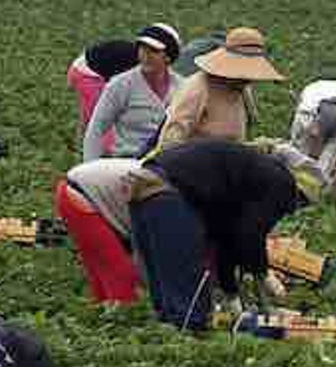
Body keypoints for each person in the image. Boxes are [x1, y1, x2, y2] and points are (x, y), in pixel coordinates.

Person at [128, 139, 319, 330]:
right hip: (171, 190)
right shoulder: (282, 185)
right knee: (186, 280)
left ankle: (168, 330)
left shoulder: (246, 180)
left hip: (143, 180)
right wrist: (262, 273)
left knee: (165, 274)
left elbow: (227, 239)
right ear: (299, 195)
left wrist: (231, 293)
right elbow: (252, 234)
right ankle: (189, 336)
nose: (290, 211)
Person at [158, 27, 283, 148]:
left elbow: (233, 143)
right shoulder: (198, 89)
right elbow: (170, 144)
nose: (247, 80)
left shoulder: (243, 91)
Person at [82, 24, 183, 161]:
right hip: (127, 161)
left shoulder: (183, 86)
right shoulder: (120, 85)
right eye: (142, 49)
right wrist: (90, 169)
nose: (145, 56)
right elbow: (96, 130)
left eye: (153, 51)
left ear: (168, 57)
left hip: (168, 162)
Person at [54, 158, 142, 303]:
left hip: (85, 188)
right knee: (120, 272)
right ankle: (122, 316)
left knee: (102, 268)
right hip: (81, 194)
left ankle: (103, 310)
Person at [67, 37, 140, 155]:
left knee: (89, 116)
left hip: (87, 71)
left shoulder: (134, 53)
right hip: (85, 75)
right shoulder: (134, 59)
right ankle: (110, 153)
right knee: (101, 118)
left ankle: (81, 144)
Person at [289, 79, 336, 200]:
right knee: (300, 154)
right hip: (313, 104)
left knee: (325, 164)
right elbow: (296, 149)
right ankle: (297, 187)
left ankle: (315, 191)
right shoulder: (304, 120)